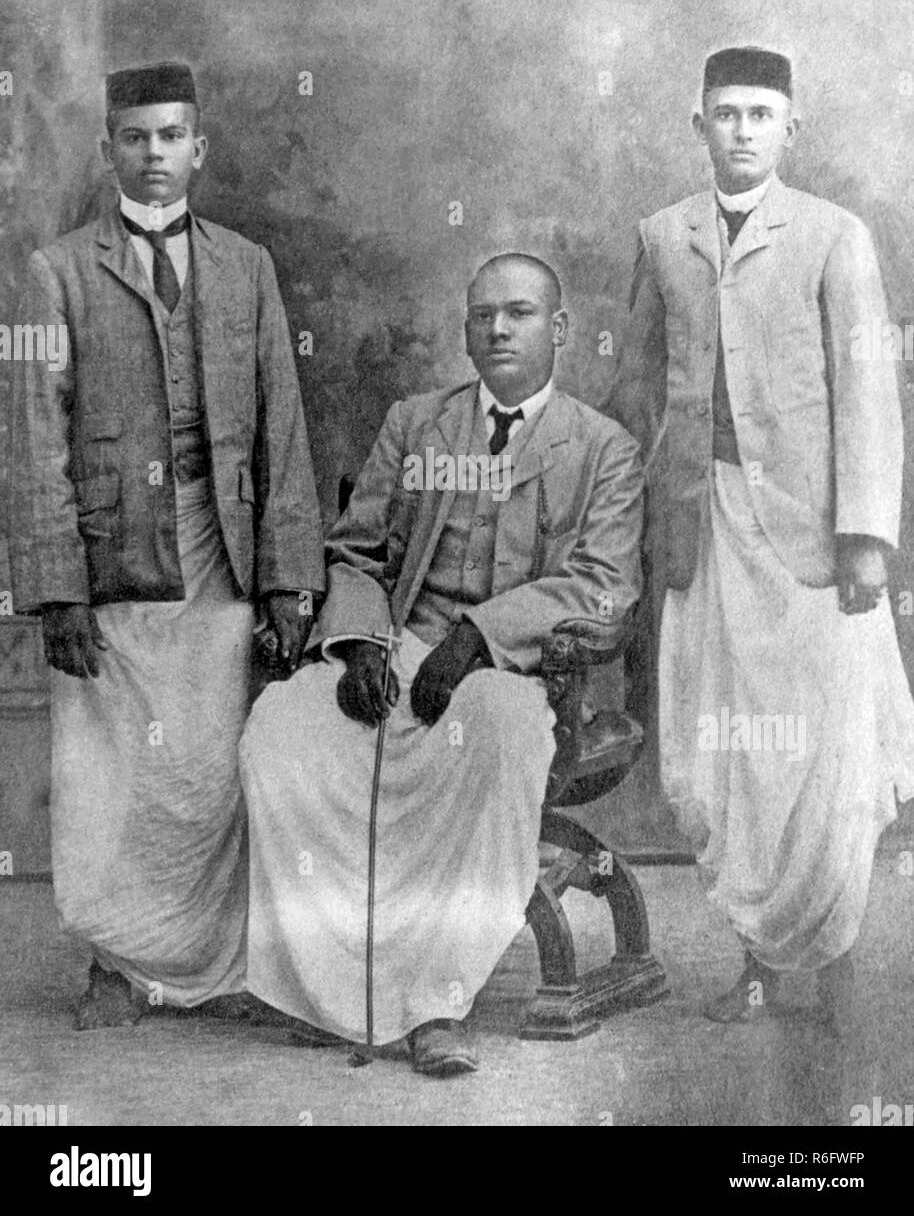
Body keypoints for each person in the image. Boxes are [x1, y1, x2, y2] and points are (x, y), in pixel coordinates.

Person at [239, 252, 644, 1075]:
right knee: (277, 729)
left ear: (559, 329)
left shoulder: (604, 449)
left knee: (489, 735)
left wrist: (478, 639)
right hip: (400, 645)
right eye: (483, 314)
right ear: (464, 330)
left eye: (521, 313)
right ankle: (334, 989)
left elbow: (604, 587)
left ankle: (433, 1002)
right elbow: (355, 554)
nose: (499, 328)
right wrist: (358, 646)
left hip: (516, 672)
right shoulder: (417, 423)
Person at [10, 61, 324, 1027]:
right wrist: (57, 590)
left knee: (208, 762)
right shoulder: (56, 271)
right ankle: (115, 963)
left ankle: (216, 963)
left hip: (219, 546)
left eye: (171, 136)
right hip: (113, 559)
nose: (155, 155)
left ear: (200, 147)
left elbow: (283, 428)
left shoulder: (246, 266)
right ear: (110, 151)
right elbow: (33, 437)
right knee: (110, 768)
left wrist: (286, 580)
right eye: (136, 138)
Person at [605, 46, 914, 1024]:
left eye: (758, 115)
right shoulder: (662, 237)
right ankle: (753, 959)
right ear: (695, 125)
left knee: (820, 755)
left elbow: (867, 395)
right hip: (703, 526)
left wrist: (865, 535)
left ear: (790, 129)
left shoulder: (832, 237)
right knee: (716, 757)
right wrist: (616, 519)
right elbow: (634, 391)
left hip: (814, 539)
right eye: (723, 114)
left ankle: (826, 958)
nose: (740, 131)